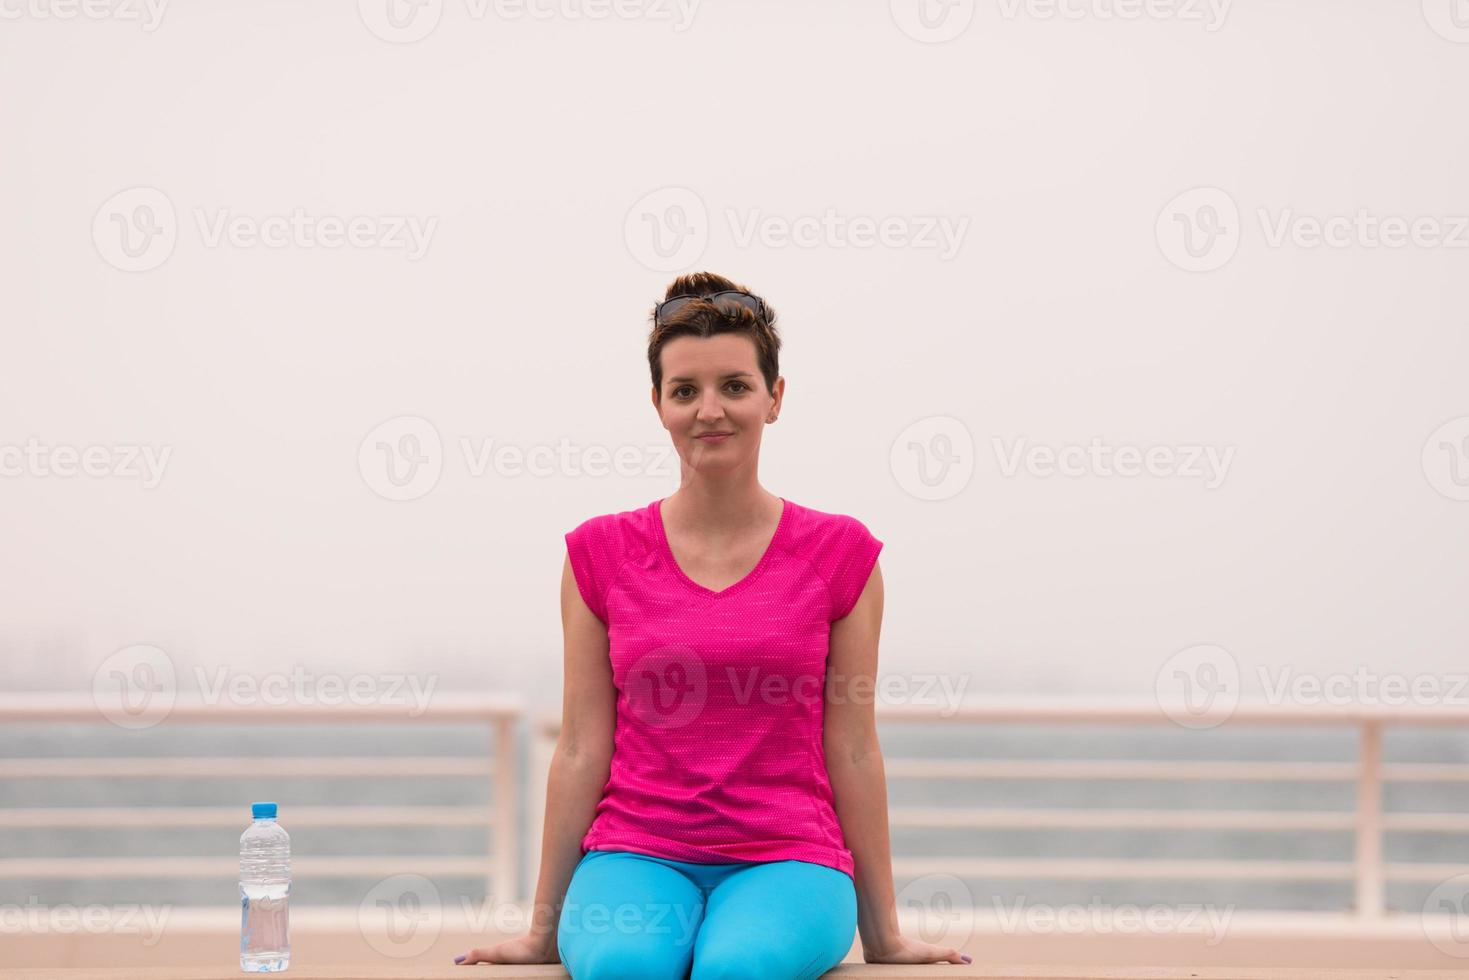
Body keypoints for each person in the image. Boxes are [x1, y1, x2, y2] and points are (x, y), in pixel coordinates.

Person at [455, 272, 971, 977]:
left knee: (738, 968)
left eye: (734, 385)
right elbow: (579, 747)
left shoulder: (840, 554)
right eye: (685, 390)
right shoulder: (598, 555)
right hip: (634, 853)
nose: (709, 411)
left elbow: (852, 748)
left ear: (773, 397)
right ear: (658, 404)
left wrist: (884, 935)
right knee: (619, 967)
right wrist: (542, 932)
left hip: (791, 858)